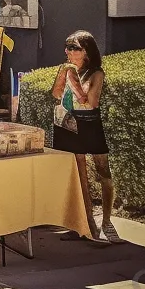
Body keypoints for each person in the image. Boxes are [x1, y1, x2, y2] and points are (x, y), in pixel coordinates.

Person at [51, 30, 119, 244]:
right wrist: (64, 75)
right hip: (69, 123)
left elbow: (90, 101)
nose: (69, 52)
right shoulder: (67, 68)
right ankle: (86, 222)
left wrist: (72, 78)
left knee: (103, 172)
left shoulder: (96, 73)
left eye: (75, 48)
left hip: (89, 122)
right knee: (78, 174)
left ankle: (107, 220)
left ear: (86, 51)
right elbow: (56, 93)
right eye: (68, 47)